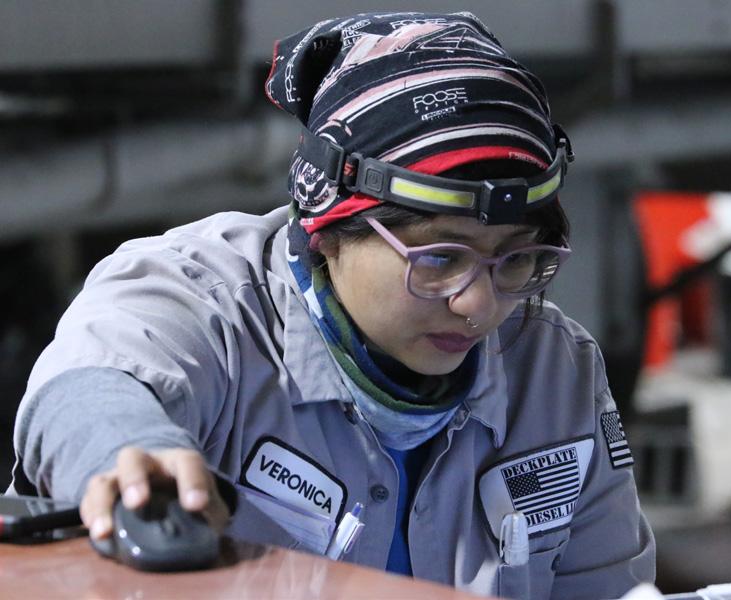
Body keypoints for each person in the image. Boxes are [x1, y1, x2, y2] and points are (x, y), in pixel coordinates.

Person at [8, 12, 654, 599]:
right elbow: (89, 389)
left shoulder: (555, 372)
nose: (478, 305)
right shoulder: (205, 302)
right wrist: (130, 453)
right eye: (438, 259)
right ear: (327, 230)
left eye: (514, 259)